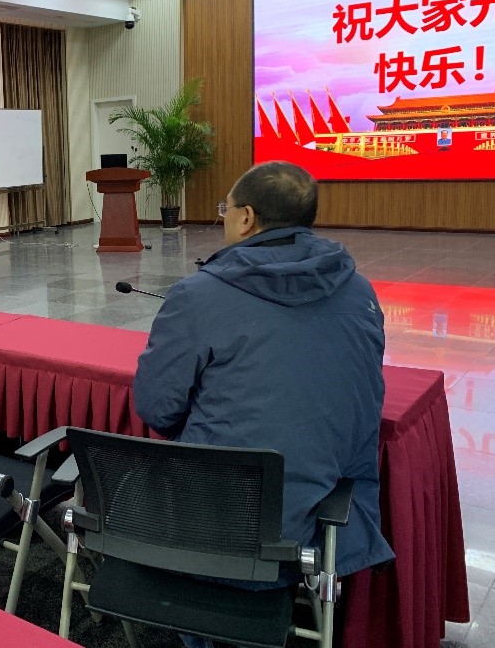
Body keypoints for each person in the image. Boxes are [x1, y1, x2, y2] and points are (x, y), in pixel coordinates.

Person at [133, 161, 393, 648]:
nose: (224, 218)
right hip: (321, 526)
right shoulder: (360, 290)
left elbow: (156, 408)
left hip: (212, 526)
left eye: (225, 210)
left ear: (247, 218)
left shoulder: (199, 295)